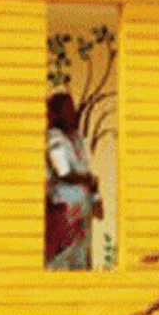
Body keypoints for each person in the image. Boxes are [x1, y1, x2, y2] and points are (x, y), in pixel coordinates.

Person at [44, 92, 102, 270]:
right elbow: (63, 172)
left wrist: (95, 196)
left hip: (81, 209)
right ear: (58, 112)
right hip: (64, 209)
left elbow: (85, 170)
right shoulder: (54, 138)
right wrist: (88, 179)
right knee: (63, 258)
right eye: (68, 108)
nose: (73, 111)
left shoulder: (76, 138)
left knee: (81, 256)